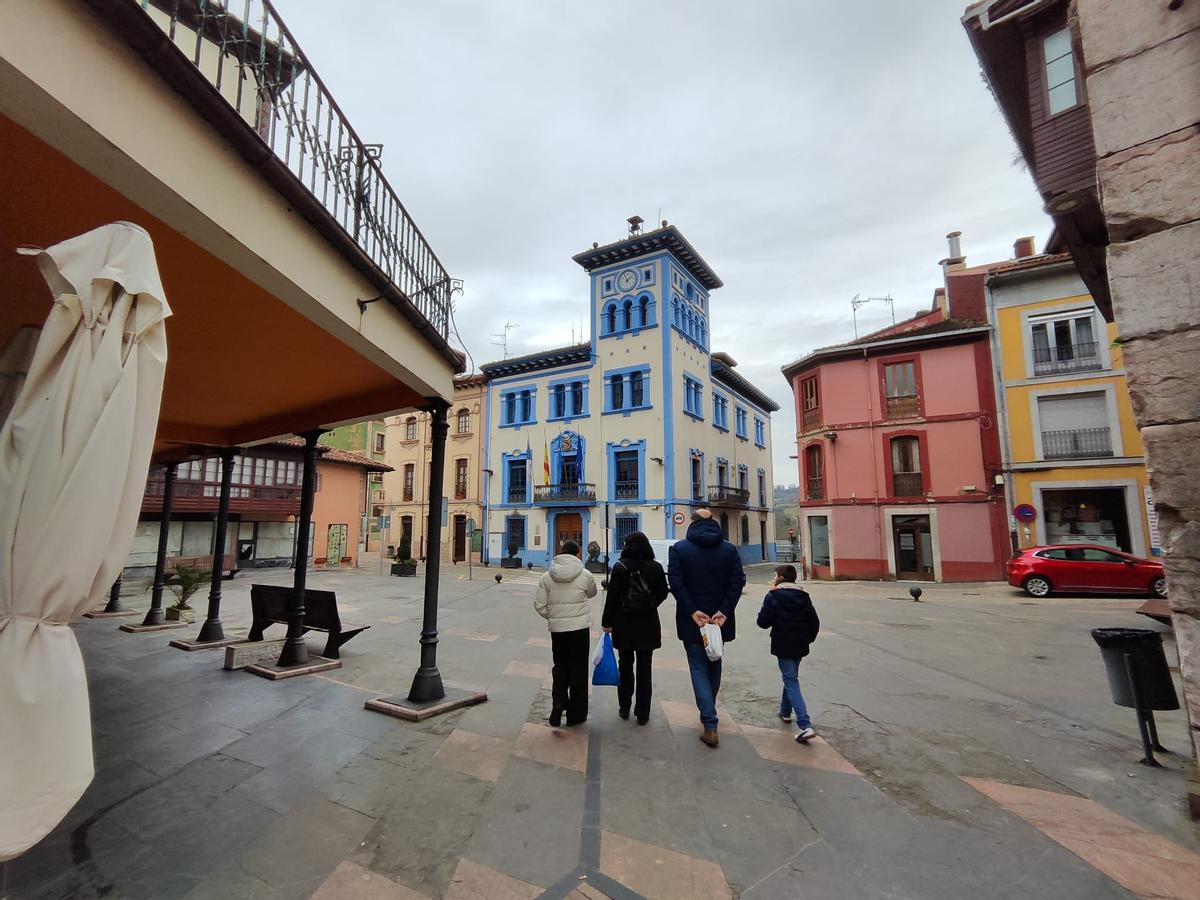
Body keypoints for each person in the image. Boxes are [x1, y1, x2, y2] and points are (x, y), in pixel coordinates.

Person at [667, 509, 746, 748]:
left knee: (698, 667)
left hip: (694, 620)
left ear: (692, 523)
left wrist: (692, 611)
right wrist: (724, 611)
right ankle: (709, 711)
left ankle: (710, 723)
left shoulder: (679, 549)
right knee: (715, 662)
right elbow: (737, 581)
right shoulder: (729, 550)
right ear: (712, 522)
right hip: (719, 621)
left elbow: (676, 583)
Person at [601, 531, 669, 725]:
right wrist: (650, 604)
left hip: (624, 623)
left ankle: (624, 706)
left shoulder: (620, 567)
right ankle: (643, 713)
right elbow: (664, 592)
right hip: (648, 624)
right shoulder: (656, 568)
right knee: (645, 669)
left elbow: (612, 598)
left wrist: (607, 622)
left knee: (625, 666)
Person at [533, 539, 597, 727]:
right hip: (579, 630)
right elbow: (592, 593)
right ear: (577, 554)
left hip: (558, 631)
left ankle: (559, 702)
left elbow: (539, 605)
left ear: (561, 553)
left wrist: (554, 617)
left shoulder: (546, 577)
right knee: (579, 669)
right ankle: (576, 714)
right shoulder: (585, 574)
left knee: (560, 667)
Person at [756, 564, 820, 744]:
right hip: (800, 644)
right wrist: (808, 639)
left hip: (783, 643)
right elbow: (814, 622)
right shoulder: (804, 597)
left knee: (791, 680)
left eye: (775, 575)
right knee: (791, 676)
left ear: (780, 578)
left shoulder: (773, 596)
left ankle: (805, 725)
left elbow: (763, 622)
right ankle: (785, 712)